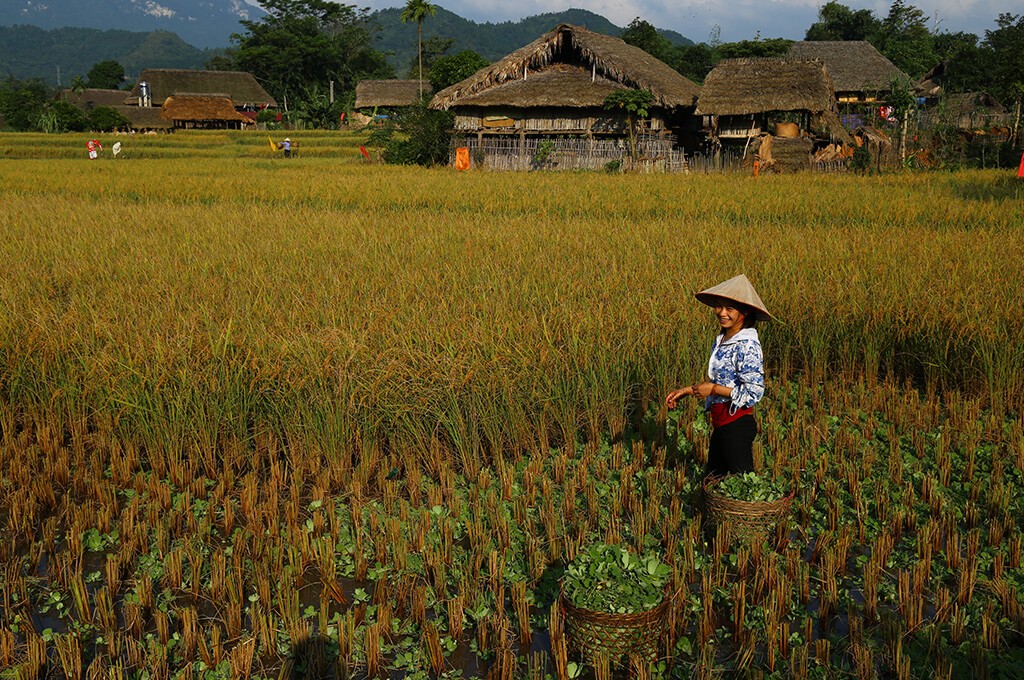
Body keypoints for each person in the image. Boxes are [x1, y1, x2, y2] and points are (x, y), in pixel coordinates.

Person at [666, 274, 773, 479]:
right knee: (714, 480)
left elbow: (754, 392)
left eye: (729, 309)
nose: (722, 313)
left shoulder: (747, 344)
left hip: (737, 424)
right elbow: (720, 381)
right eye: (718, 306)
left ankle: (754, 512)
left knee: (744, 483)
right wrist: (686, 391)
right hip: (721, 422)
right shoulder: (723, 339)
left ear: (745, 311)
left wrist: (713, 390)